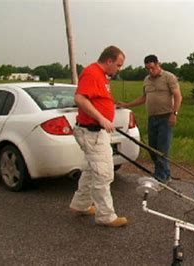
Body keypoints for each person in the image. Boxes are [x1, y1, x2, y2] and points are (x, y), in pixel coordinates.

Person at [69, 45, 127, 228]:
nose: (119, 69)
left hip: (96, 132)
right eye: (118, 65)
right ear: (109, 61)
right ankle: (106, 216)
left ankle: (81, 205)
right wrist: (102, 118)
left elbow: (96, 99)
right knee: (103, 174)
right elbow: (80, 98)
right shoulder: (92, 73)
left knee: (91, 170)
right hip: (91, 132)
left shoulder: (102, 76)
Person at [118, 55, 182, 184]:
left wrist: (174, 114)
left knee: (162, 149)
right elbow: (144, 98)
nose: (150, 71)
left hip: (166, 117)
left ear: (158, 64)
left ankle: (161, 178)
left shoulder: (169, 77)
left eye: (152, 68)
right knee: (152, 149)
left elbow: (178, 96)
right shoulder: (147, 80)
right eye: (148, 69)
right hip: (152, 118)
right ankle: (164, 174)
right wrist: (127, 105)